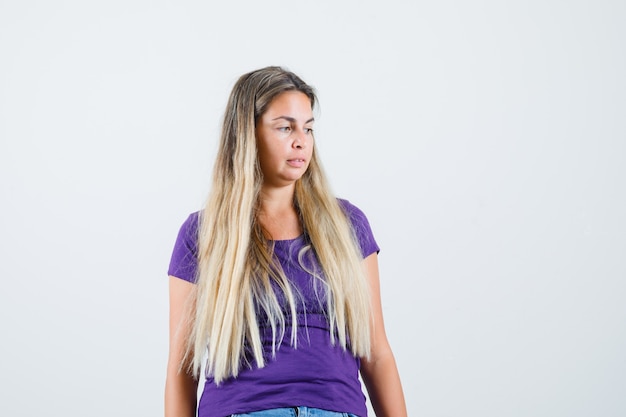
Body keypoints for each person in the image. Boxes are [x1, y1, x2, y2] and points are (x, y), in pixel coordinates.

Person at [165, 66, 407, 417]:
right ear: (248, 134)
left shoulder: (346, 225)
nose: (301, 141)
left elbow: (376, 352)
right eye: (285, 127)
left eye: (308, 128)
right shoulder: (203, 233)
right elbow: (182, 367)